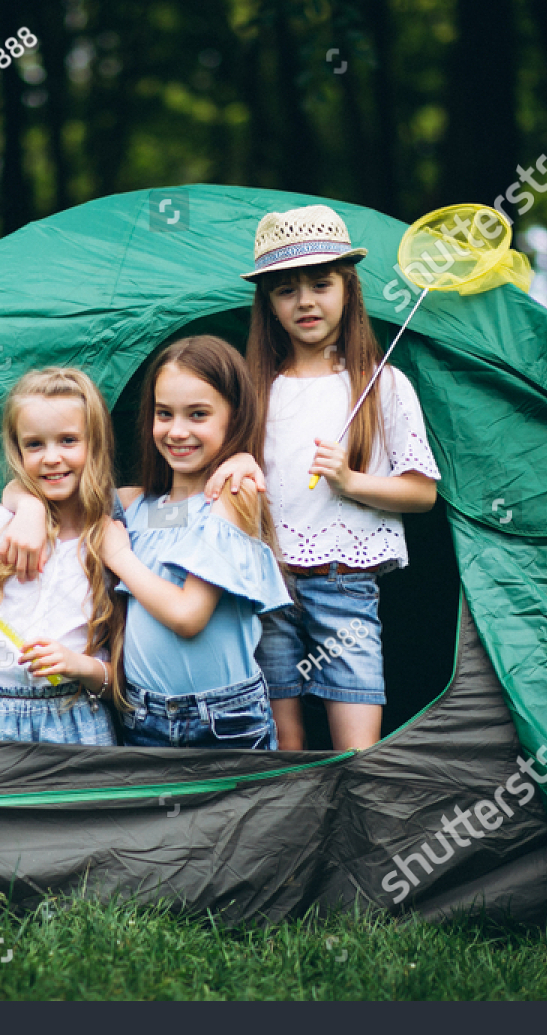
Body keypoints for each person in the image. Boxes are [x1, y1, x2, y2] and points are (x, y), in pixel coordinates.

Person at [206, 204, 440, 752]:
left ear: (348, 289)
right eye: (286, 290)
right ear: (268, 303)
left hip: (345, 582)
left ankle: (357, 830)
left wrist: (351, 482)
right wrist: (235, 463)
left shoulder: (382, 385)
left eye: (320, 284)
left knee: (356, 747)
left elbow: (423, 493)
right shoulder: (253, 388)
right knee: (282, 742)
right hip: (265, 583)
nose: (305, 301)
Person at [1, 336, 291, 749]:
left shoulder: (232, 496)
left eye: (198, 415)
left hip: (221, 721)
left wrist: (120, 556)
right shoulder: (136, 504)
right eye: (163, 414)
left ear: (235, 415)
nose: (177, 431)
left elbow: (188, 616)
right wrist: (28, 507)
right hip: (142, 716)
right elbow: (40, 486)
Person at [0, 367, 123, 745]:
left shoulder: (112, 538)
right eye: (35, 445)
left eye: (68, 440)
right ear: (17, 449)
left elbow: (122, 682)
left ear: (96, 444)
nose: (51, 458)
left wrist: (79, 666)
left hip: (75, 718)